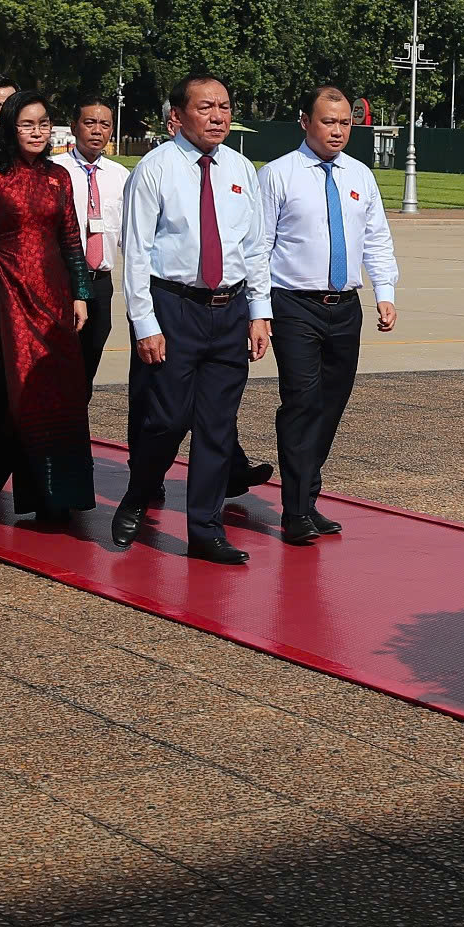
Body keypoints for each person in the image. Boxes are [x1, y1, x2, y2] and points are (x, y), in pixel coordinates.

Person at [111, 75, 271, 565]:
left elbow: (254, 248)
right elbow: (136, 253)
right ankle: (140, 491)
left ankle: (205, 529)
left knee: (217, 426)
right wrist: (144, 323)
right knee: (167, 419)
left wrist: (259, 312)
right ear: (177, 117)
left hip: (229, 309)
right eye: (206, 107)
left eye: (224, 106)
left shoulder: (240, 169)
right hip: (174, 308)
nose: (218, 116)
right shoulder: (155, 169)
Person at [257, 86, 397, 545]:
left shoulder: (360, 175)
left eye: (345, 123)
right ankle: (295, 509)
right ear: (305, 122)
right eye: (328, 121)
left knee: (330, 405)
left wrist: (385, 291)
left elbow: (376, 237)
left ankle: (308, 497)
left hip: (345, 307)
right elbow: (259, 246)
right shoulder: (277, 175)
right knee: (301, 403)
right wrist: (258, 311)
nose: (338, 131)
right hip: (294, 304)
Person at [0, 92, 95, 522]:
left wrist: (80, 293)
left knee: (58, 391)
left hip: (53, 297)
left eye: (44, 124)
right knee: (0, 389)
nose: (37, 132)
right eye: (28, 124)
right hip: (4, 294)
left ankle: (56, 496)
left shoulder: (59, 176)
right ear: (11, 129)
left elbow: (71, 238)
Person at [54, 99, 128, 384]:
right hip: (63, 279)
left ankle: (79, 406)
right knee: (59, 357)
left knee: (92, 351)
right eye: (90, 123)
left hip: (100, 280)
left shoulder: (120, 176)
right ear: (74, 127)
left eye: (105, 124)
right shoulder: (55, 170)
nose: (98, 130)